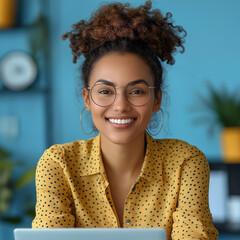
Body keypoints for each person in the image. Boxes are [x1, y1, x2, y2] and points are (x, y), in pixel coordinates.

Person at [32, 1, 218, 239]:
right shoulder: (58, 164)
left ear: (156, 99)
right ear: (87, 99)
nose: (120, 106)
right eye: (105, 91)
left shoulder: (186, 163)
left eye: (137, 91)